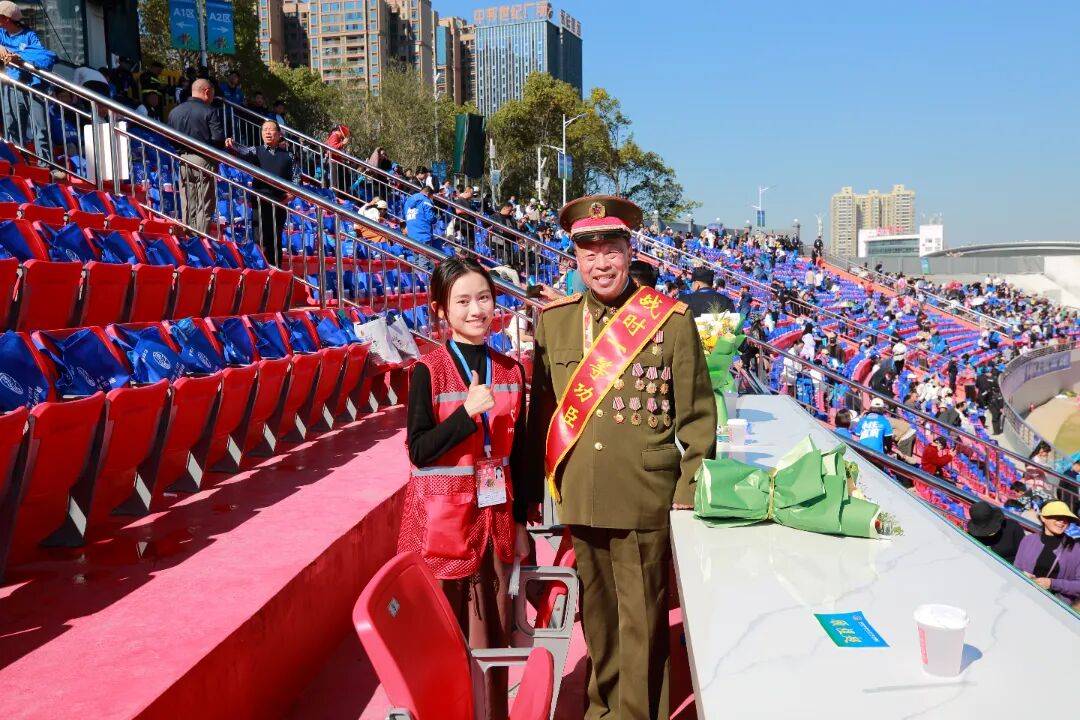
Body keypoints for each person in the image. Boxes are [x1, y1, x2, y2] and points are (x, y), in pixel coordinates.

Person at [523, 194, 717, 719]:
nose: (600, 264)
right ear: (576, 260)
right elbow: (542, 412)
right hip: (583, 495)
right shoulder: (555, 322)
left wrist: (688, 490)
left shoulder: (669, 322)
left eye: (610, 250)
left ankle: (636, 714)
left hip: (644, 496)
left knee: (643, 619)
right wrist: (532, 497)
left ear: (629, 251)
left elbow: (698, 417)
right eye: (589, 254)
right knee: (600, 617)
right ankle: (601, 708)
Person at [398, 257, 533, 719]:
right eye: (463, 301)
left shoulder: (511, 370)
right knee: (442, 639)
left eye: (484, 298)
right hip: (440, 529)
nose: (477, 310)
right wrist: (466, 415)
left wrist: (519, 523)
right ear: (440, 310)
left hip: (494, 521)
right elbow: (419, 449)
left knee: (492, 636)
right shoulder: (426, 371)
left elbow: (518, 456)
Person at [224, 119, 296, 263]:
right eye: (264, 130)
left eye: (271, 129)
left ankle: (276, 271)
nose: (268, 132)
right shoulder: (256, 151)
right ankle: (261, 269)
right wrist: (231, 144)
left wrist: (291, 196)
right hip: (260, 200)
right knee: (260, 239)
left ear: (279, 134)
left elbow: (296, 179)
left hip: (280, 202)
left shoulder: (289, 156)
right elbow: (242, 151)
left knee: (275, 239)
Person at [166, 78, 225, 235]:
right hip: (204, 160)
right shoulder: (209, 111)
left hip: (183, 159)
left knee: (188, 201)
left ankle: (188, 236)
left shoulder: (175, 111)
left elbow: (169, 139)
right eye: (212, 93)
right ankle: (200, 238)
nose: (212, 97)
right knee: (204, 203)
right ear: (207, 91)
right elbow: (218, 139)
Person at [0, 1, 57, 161]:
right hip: (12, 86)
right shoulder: (1, 34)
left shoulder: (29, 36)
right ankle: (17, 161)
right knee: (12, 125)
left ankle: (45, 163)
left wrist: (20, 57)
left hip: (33, 86)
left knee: (40, 128)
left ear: (7, 19)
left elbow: (42, 57)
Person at [1013, 501, 1080, 606]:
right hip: (1023, 598)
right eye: (1057, 517)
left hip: (1054, 607)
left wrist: (1052, 584)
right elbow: (1016, 568)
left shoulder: (1076, 549)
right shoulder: (1028, 540)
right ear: (1043, 518)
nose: (1062, 521)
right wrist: (1022, 574)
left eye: (1066, 519)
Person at [403, 183, 442, 264]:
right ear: (428, 193)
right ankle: (426, 276)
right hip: (423, 234)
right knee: (425, 263)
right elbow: (430, 218)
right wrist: (436, 217)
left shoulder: (408, 201)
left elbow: (405, 216)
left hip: (411, 235)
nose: (431, 199)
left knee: (417, 261)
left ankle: (419, 274)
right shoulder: (426, 200)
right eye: (431, 196)